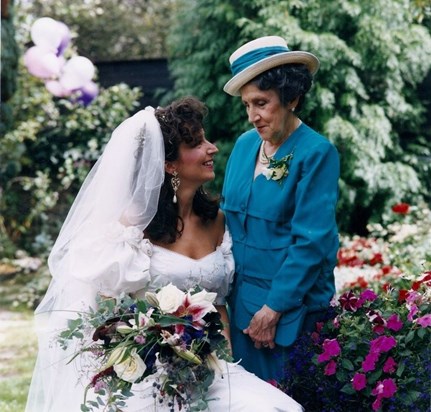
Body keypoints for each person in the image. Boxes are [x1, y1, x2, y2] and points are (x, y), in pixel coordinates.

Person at [25, 97, 303, 411]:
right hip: (147, 379)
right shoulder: (127, 232)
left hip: (213, 372)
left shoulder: (217, 222)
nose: (211, 148)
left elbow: (219, 307)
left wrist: (225, 367)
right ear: (169, 163)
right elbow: (101, 320)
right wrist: (145, 358)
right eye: (197, 143)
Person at [222, 36, 340, 382]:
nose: (252, 116)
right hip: (242, 305)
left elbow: (311, 242)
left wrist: (273, 309)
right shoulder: (245, 146)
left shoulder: (317, 153)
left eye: (261, 103)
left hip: (290, 311)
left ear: (292, 98)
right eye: (246, 105)